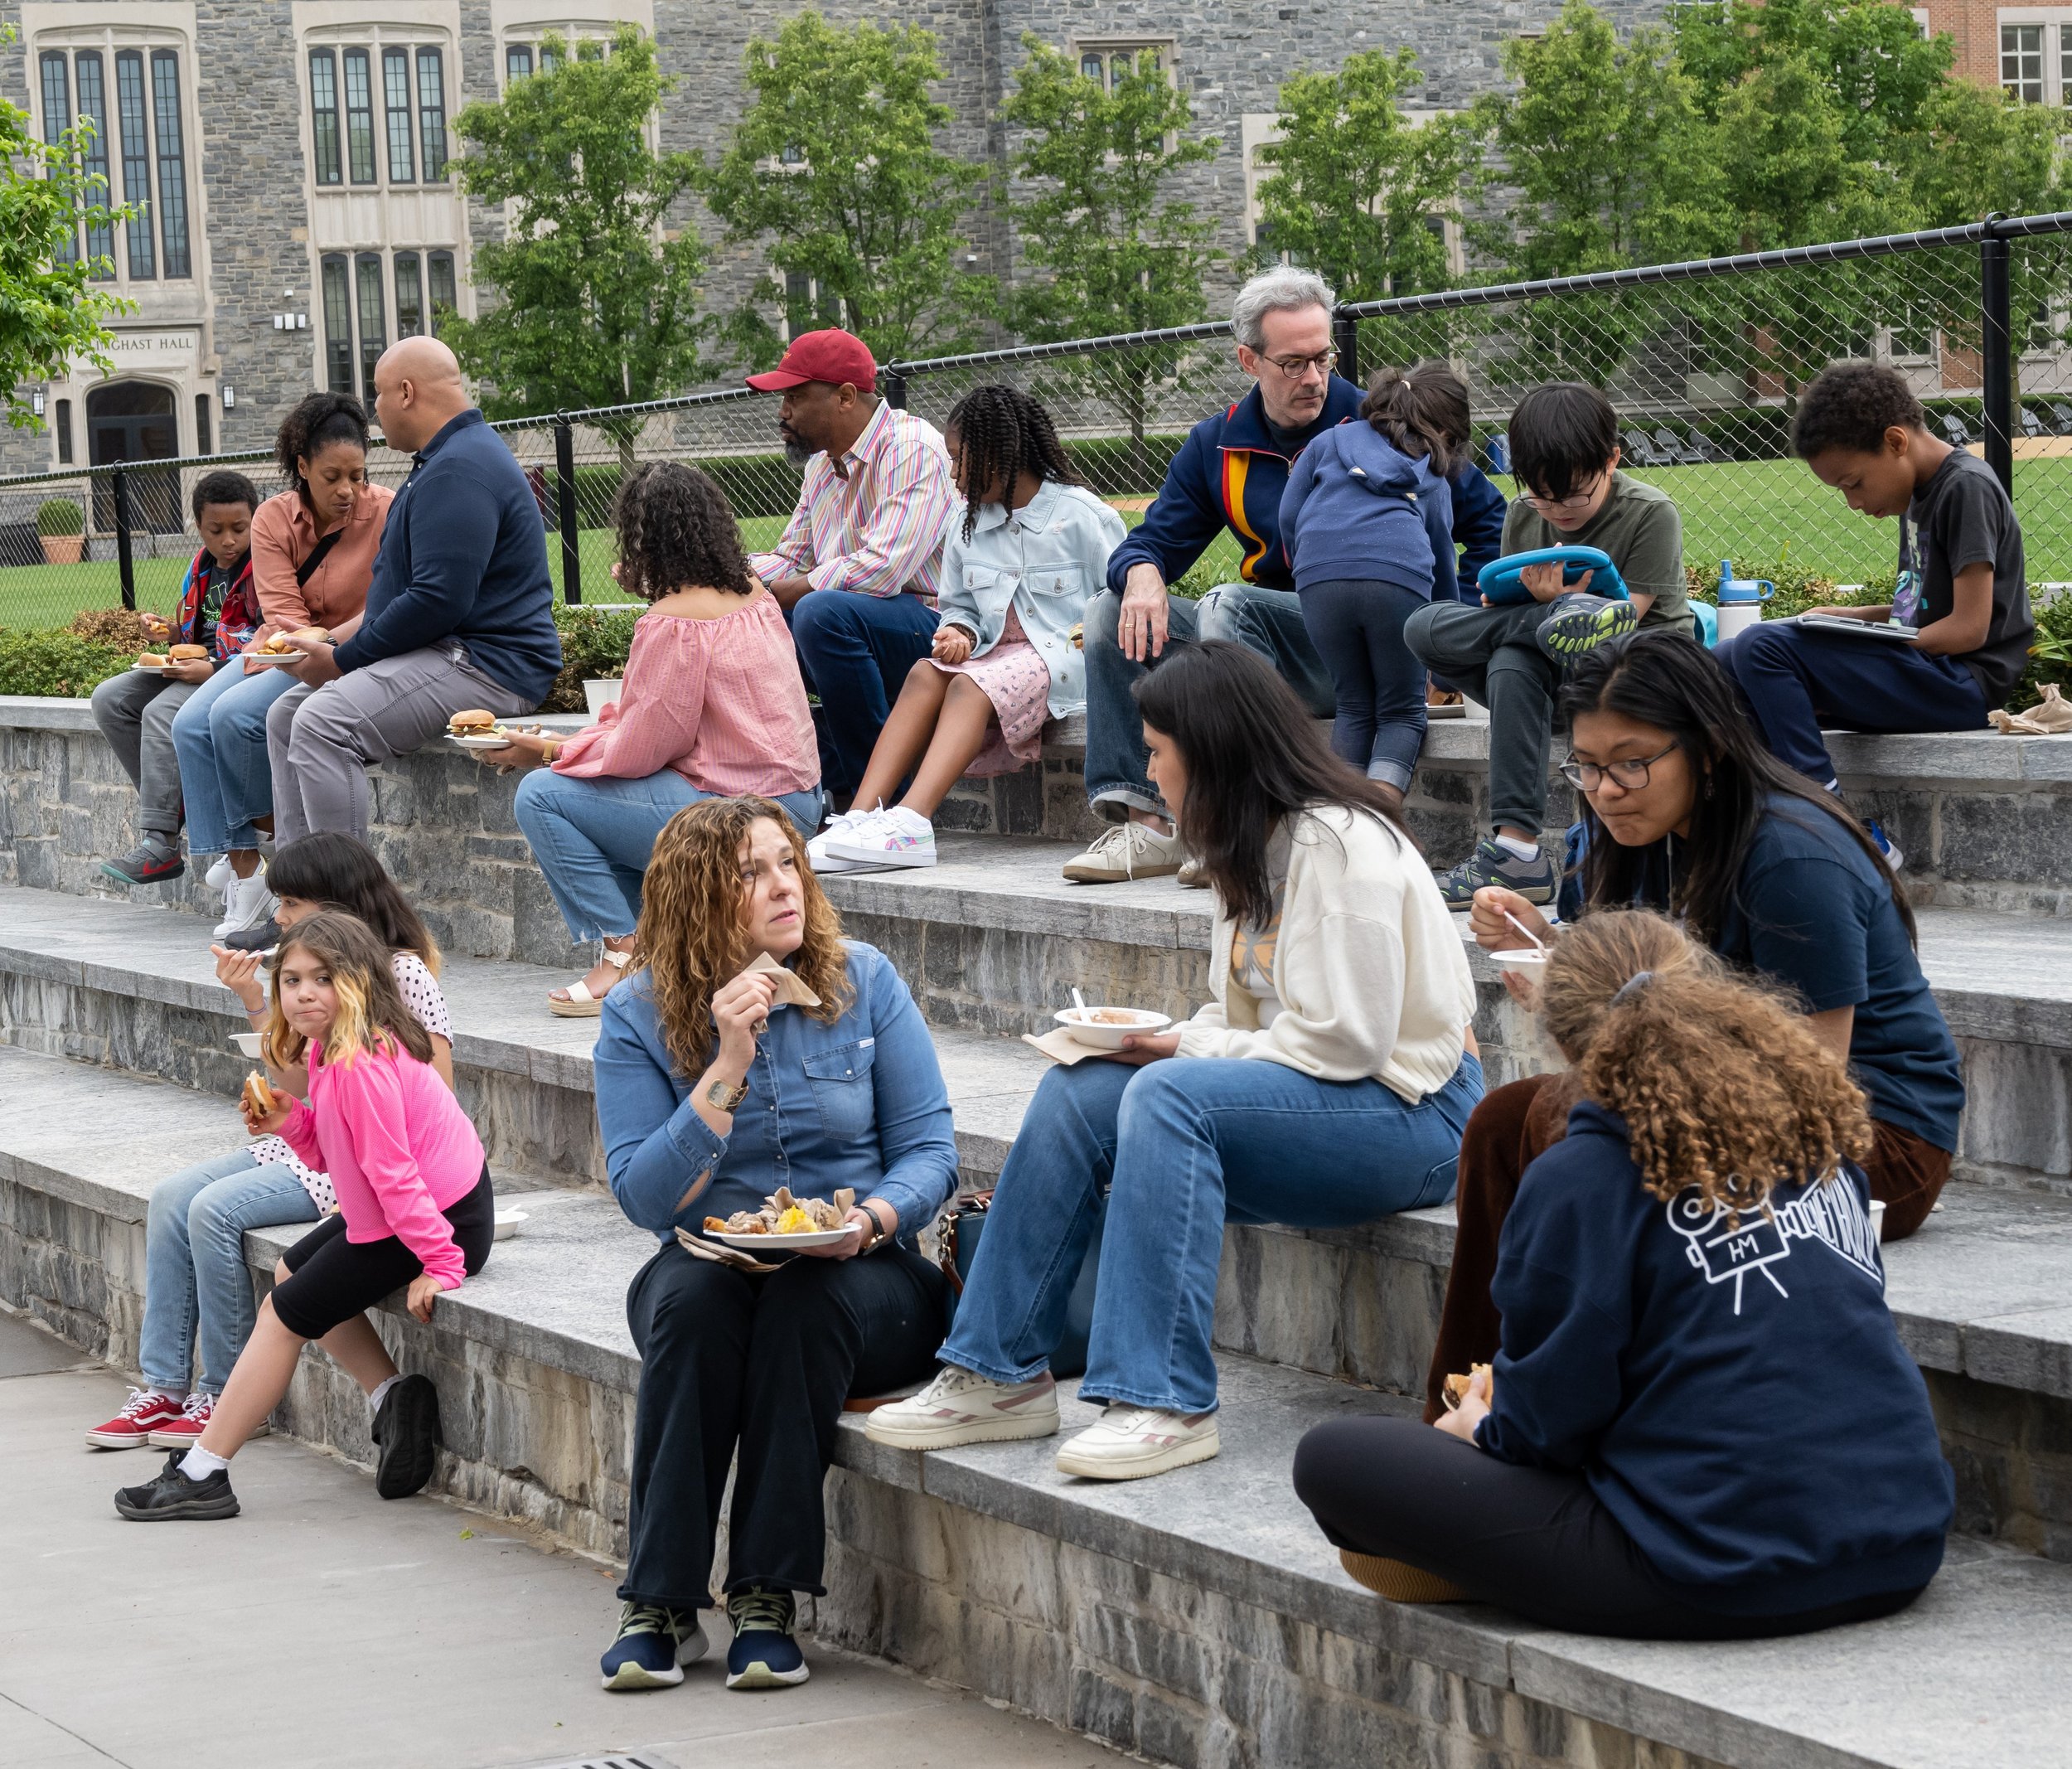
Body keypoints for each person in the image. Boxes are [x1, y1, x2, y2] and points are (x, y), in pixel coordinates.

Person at [867, 642, 1484, 1481]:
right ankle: (996, 1370)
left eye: (1159, 751)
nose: (1151, 772)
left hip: (1416, 1113)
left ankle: (1164, 1399)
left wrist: (1181, 1044)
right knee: (1081, 1089)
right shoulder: (1248, 844)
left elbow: (1348, 1041)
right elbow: (1254, 1027)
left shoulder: (1341, 847)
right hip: (1328, 1097)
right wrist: (1165, 1039)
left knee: (1166, 1093)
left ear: (1216, 751)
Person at [1294, 910, 1953, 1639]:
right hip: (1903, 1544)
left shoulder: (1582, 1177)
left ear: (1564, 1041)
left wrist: (1480, 1424)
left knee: (1333, 1459)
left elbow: (1545, 1430)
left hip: (1717, 1571)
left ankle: (1499, 1559)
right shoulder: (1816, 1139)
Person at [1423, 628, 1964, 1420]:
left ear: (1707, 748)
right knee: (1504, 1120)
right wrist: (1549, 952)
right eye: (1589, 766)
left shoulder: (1790, 858)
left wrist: (1592, 1027)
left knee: (1564, 1117)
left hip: (1872, 1136)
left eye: (1632, 762)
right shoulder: (1634, 835)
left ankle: (1547, 1402)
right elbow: (1642, 984)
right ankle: (1468, 1394)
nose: (1606, 789)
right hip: (1713, 1100)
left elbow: (1813, 1080)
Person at [590, 797, 956, 1692]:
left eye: (786, 861)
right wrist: (725, 1062)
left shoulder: (862, 979)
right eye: (750, 871)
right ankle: (661, 1602)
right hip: (712, 1256)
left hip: (865, 1272)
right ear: (696, 898)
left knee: (801, 1305)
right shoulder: (637, 1013)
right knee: (688, 1304)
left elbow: (931, 1149)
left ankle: (765, 1594)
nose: (782, 884)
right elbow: (643, 1196)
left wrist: (870, 1219)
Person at [114, 911, 492, 1521]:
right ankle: (394, 1397)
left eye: (323, 979)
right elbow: (336, 1154)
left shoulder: (362, 1062)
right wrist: (291, 1121)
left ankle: (204, 1471)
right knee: (291, 1279)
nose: (305, 993)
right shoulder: (329, 1047)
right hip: (403, 1210)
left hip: (441, 1217)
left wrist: (443, 1264)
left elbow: (395, 1175)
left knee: (282, 1314)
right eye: (291, 981)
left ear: (360, 984)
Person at [85, 833, 455, 1455]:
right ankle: (165, 1388)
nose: (276, 916)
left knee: (213, 1209)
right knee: (172, 1196)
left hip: (361, 1164)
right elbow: (301, 1080)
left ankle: (224, 1395)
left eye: (289, 902)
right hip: (309, 1143)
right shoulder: (307, 972)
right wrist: (257, 1001)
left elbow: (437, 1094)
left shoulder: (402, 972)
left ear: (336, 904)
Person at [1061, 267, 1365, 885]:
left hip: (1349, 646)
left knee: (1231, 602)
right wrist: (1143, 572)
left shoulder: (1375, 421)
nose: (1313, 377)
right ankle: (1148, 827)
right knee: (1106, 607)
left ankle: (1245, 819)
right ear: (1248, 359)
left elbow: (1477, 515)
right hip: (1257, 644)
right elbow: (1152, 539)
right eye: (1293, 363)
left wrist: (1438, 635)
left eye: (1323, 357)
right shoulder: (1216, 443)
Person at [484, 462, 822, 1015]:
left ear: (642, 541)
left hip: (732, 819)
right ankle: (660, 956)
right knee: (597, 802)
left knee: (543, 797)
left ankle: (623, 953)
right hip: (797, 809)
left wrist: (545, 751)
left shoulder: (672, 622)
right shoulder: (756, 592)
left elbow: (642, 749)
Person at [1720, 360, 2032, 870]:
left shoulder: (1965, 488)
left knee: (1762, 649)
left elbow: (1969, 627)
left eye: (1854, 483)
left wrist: (1862, 643)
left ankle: (1840, 830)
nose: (1852, 502)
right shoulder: (1919, 490)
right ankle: (1766, 828)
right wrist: (1848, 616)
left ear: (1895, 442)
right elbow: (1924, 606)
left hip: (1963, 683)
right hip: (1929, 670)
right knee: (1731, 657)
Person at [811, 383, 1126, 872]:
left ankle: (913, 822)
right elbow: (958, 605)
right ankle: (860, 817)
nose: (953, 475)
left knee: (968, 688)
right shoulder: (965, 521)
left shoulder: (1083, 516)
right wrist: (958, 632)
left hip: (1066, 657)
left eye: (960, 460)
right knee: (924, 673)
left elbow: (1119, 603)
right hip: (995, 654)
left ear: (1001, 455)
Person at [265, 336, 561, 846]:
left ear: (405, 392)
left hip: (488, 665)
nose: (374, 413)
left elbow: (438, 601)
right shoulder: (446, 460)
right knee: (286, 716)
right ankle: (298, 893)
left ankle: (344, 912)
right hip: (450, 653)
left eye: (378, 396)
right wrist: (333, 644)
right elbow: (400, 592)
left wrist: (342, 662)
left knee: (320, 723)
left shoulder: (461, 468)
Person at [1406, 381, 1692, 905]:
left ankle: (1516, 850)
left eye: (1575, 494)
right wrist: (1540, 611)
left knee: (1516, 656)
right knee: (1423, 627)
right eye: (1542, 495)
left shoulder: (1651, 513)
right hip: (1553, 676)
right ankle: (1518, 857)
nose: (1558, 509)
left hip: (1634, 676)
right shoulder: (1522, 515)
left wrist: (1544, 617)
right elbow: (1501, 610)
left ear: (1612, 460)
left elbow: (1629, 621)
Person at [171, 393, 395, 941]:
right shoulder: (274, 517)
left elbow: (387, 603)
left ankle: (254, 870)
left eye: (357, 475)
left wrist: (330, 642)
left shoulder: (388, 510)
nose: (347, 490)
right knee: (187, 725)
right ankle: (244, 862)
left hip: (349, 651)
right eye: (332, 476)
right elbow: (282, 609)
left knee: (231, 717)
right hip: (286, 646)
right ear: (302, 467)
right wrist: (304, 641)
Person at [743, 327, 961, 809]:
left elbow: (883, 570)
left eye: (795, 397)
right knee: (745, 618)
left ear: (845, 397)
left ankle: (878, 803)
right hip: (862, 625)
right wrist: (714, 576)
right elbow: (792, 558)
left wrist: (792, 590)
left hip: (939, 630)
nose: (783, 412)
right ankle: (796, 784)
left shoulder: (912, 447)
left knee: (819, 613)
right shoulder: (821, 466)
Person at [1280, 369, 1454, 810]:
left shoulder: (1325, 444)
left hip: (1319, 577)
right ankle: (1379, 819)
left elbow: (1287, 516)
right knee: (1400, 710)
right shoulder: (1430, 466)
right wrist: (1449, 664)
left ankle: (1338, 820)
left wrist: (1307, 565)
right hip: (1398, 578)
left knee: (1354, 704)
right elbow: (1442, 557)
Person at [91, 470, 261, 889]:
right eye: (214, 530)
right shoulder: (201, 567)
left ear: (255, 522)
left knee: (161, 711)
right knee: (109, 699)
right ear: (198, 527)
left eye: (239, 529)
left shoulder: (264, 569)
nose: (228, 540)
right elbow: (198, 631)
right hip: (193, 666)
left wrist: (215, 670)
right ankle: (173, 806)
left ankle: (161, 841)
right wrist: (168, 632)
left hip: (231, 673)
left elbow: (268, 640)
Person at [1397, 360, 1508, 604]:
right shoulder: (1432, 469)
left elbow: (1493, 525)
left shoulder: (1450, 467)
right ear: (1448, 434)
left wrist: (1465, 597)